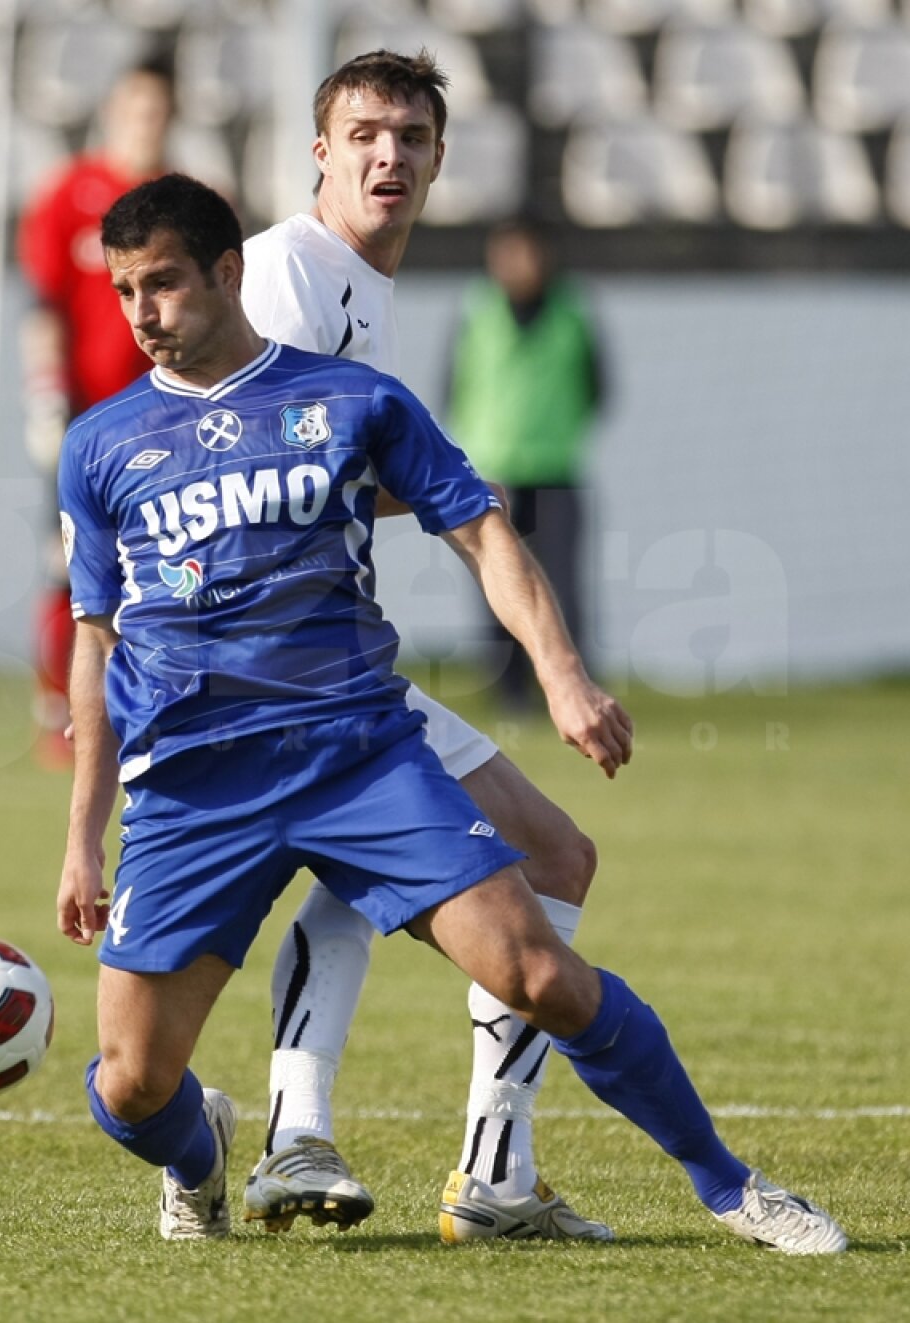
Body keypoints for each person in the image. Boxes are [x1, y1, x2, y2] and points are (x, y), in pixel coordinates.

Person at [55, 172, 845, 1258]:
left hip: (355, 755)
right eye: (125, 291)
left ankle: (731, 1188)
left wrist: (562, 676)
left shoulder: (351, 401)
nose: (143, 314)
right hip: (193, 786)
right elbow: (94, 646)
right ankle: (201, 1163)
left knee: (542, 975)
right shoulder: (100, 444)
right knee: (136, 1085)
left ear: (228, 273)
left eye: (165, 285)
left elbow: (482, 530)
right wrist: (81, 840)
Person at [238, 49, 607, 1241]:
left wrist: (430, 485)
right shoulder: (289, 277)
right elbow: (235, 456)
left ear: (440, 158)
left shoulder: (362, 288)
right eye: (364, 134)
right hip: (273, 662)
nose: (388, 154)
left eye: (409, 136)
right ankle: (320, 1143)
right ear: (321, 152)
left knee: (542, 861)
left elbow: (326, 472)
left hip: (331, 655)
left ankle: (430, 1162)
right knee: (540, 859)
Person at [17, 58, 176, 765]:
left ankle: (158, 706)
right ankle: (60, 712)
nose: (147, 121)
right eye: (136, 108)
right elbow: (42, 306)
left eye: (158, 110)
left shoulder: (188, 203)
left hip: (168, 423)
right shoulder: (66, 197)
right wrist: (47, 394)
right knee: (70, 567)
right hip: (86, 425)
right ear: (114, 110)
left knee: (172, 565)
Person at [447, 211, 603, 709]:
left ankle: (572, 691)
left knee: (562, 587)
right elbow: (454, 387)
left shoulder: (573, 311)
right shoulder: (476, 310)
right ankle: (509, 693)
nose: (517, 263)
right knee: (501, 585)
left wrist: (558, 431)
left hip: (556, 471)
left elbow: (597, 387)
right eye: (507, 251)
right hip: (494, 473)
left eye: (527, 251)